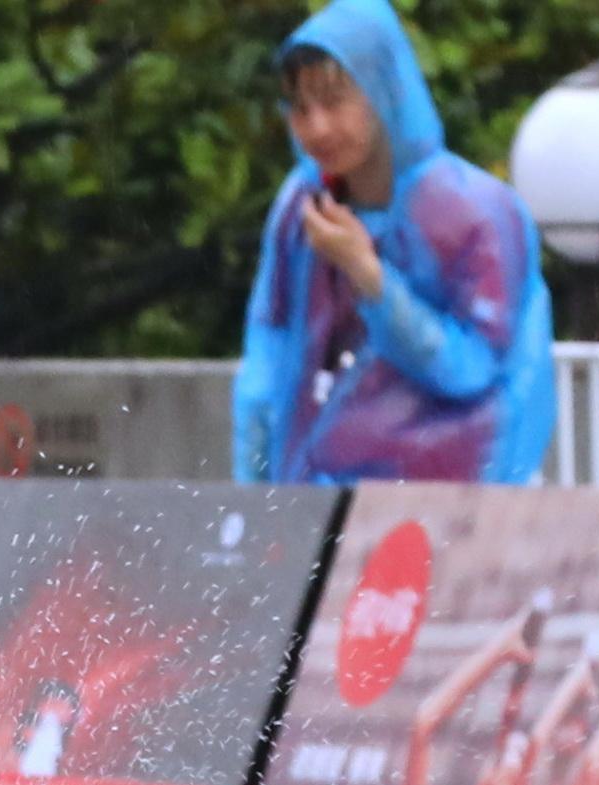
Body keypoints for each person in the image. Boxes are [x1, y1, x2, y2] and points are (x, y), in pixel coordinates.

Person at [231, 0, 555, 487]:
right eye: (300, 108)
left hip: (448, 506)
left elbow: (472, 372)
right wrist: (254, 501)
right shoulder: (303, 205)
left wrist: (370, 278)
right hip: (312, 503)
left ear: (384, 91)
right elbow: (267, 361)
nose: (317, 127)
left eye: (335, 101)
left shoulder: (477, 211)